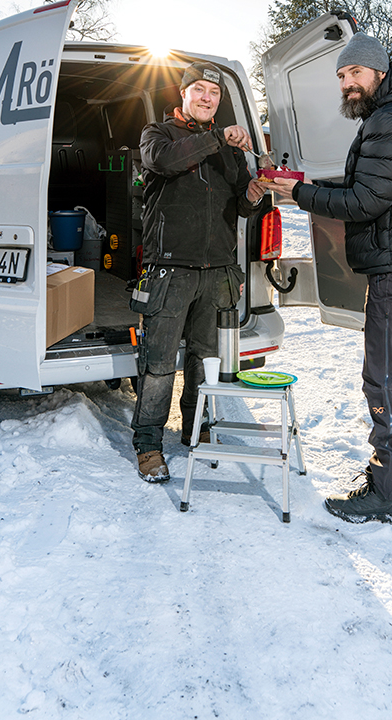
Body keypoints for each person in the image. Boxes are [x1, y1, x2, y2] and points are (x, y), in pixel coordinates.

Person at [272, 31, 392, 525]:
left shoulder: (389, 122)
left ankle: (390, 491)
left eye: (355, 73)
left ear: (379, 72)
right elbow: (367, 183)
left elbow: (365, 201)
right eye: (342, 75)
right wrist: (308, 185)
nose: (347, 83)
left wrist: (298, 195)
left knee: (386, 374)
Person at [130, 61, 273, 482]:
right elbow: (166, 162)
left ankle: (197, 429)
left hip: (217, 271)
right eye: (200, 90)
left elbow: (242, 205)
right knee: (159, 364)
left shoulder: (231, 150)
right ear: (184, 93)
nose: (207, 98)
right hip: (170, 270)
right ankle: (148, 445)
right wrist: (217, 137)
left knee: (204, 360)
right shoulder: (158, 135)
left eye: (214, 93)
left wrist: (254, 191)